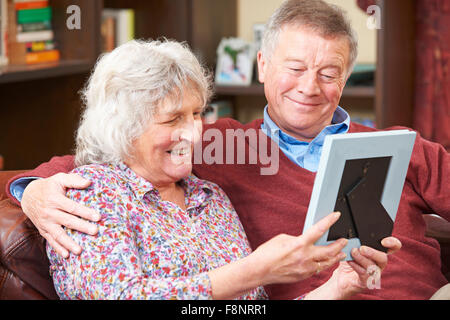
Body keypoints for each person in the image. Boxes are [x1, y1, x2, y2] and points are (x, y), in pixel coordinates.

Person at [6, 0, 449, 299]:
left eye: (328, 73)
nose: (309, 88)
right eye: (294, 68)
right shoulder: (221, 144)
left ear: (346, 77)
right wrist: (33, 190)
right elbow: (107, 154)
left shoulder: (399, 146)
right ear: (262, 66)